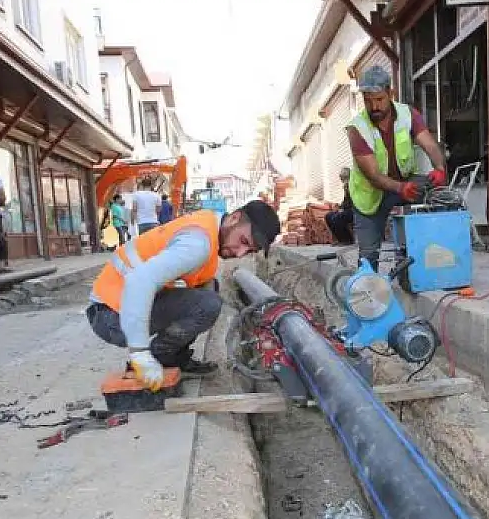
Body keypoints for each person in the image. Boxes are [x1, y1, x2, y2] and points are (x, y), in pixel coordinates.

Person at [86, 199, 282, 391]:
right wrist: (140, 354)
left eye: (249, 250)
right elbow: (139, 280)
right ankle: (159, 358)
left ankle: (173, 356)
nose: (240, 254)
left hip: (113, 306)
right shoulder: (198, 244)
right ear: (234, 218)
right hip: (111, 316)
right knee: (208, 304)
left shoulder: (207, 225)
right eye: (243, 241)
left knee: (208, 287)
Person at [346, 65, 447, 271]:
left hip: (403, 183)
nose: (374, 106)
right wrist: (401, 189)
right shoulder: (357, 128)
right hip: (370, 196)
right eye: (368, 100)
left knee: (439, 196)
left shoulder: (407, 114)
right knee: (368, 256)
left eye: (379, 99)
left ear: (390, 94)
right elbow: (373, 176)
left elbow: (429, 144)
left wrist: (439, 168)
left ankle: (435, 261)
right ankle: (368, 291)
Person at [325, 167, 355, 245]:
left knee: (338, 217)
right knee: (328, 216)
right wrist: (340, 207)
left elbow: (353, 201)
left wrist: (343, 209)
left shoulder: (352, 185)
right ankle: (340, 239)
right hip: (347, 209)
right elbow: (345, 201)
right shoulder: (346, 186)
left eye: (341, 177)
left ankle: (347, 239)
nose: (340, 178)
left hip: (355, 210)